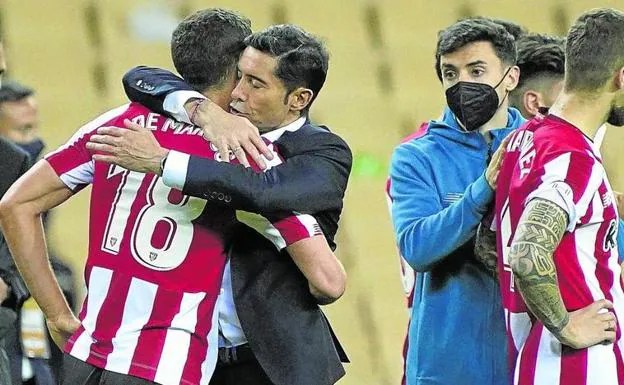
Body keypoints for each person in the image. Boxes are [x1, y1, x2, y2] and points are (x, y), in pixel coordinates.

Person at [0, 9, 345, 385]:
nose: (244, 90)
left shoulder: (117, 124)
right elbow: (327, 280)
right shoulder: (243, 155)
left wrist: (57, 314)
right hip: (165, 364)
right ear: (233, 73)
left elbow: (15, 204)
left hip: (86, 356)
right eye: (244, 77)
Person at [491, 8, 624, 384]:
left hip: (534, 360)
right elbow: (527, 249)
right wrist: (566, 327)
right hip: (577, 365)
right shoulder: (572, 157)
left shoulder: (524, 140)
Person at [389, 18, 525, 385]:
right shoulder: (417, 156)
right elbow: (417, 247)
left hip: (526, 364)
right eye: (451, 73)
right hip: (445, 369)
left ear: (510, 77)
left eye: (477, 70)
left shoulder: (540, 149)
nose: (462, 83)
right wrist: (484, 188)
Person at [0, 79, 78, 385]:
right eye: (22, 132)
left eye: (34, 129)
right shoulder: (11, 166)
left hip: (31, 314)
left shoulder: (32, 171)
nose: (34, 143)